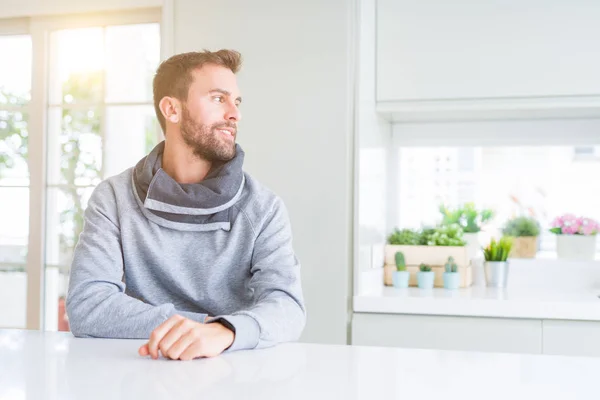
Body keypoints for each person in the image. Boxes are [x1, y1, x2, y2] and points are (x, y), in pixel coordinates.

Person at [66, 49, 306, 360]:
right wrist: (201, 327)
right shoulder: (113, 198)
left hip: (235, 372)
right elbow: (89, 304)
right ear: (172, 109)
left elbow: (287, 307)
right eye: (219, 99)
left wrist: (224, 332)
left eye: (237, 102)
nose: (235, 114)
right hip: (139, 368)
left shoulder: (263, 208)